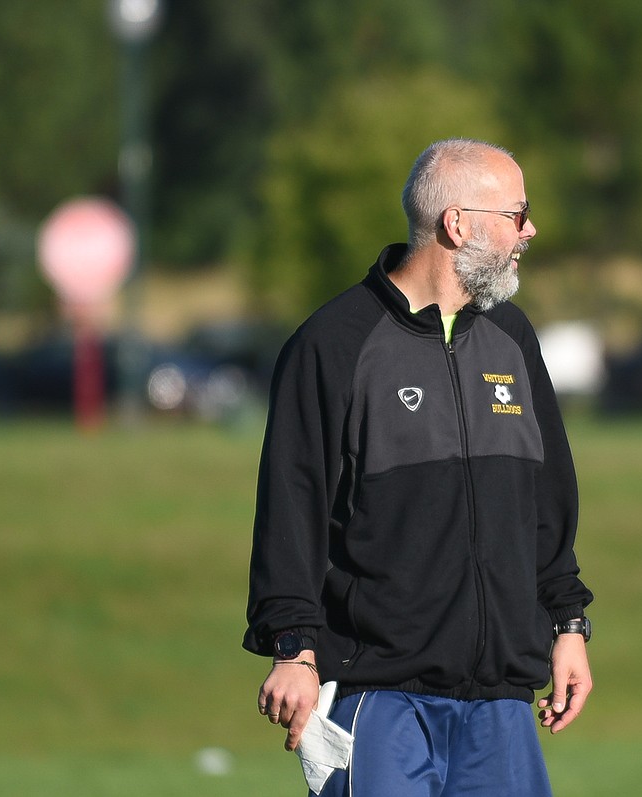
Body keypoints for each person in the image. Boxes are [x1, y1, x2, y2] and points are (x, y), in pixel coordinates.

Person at [244, 138, 594, 796]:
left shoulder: (513, 338)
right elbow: (291, 509)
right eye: (518, 214)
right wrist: (294, 646)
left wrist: (568, 625)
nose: (531, 231)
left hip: (501, 702)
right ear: (458, 224)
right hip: (380, 699)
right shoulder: (331, 344)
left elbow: (547, 504)